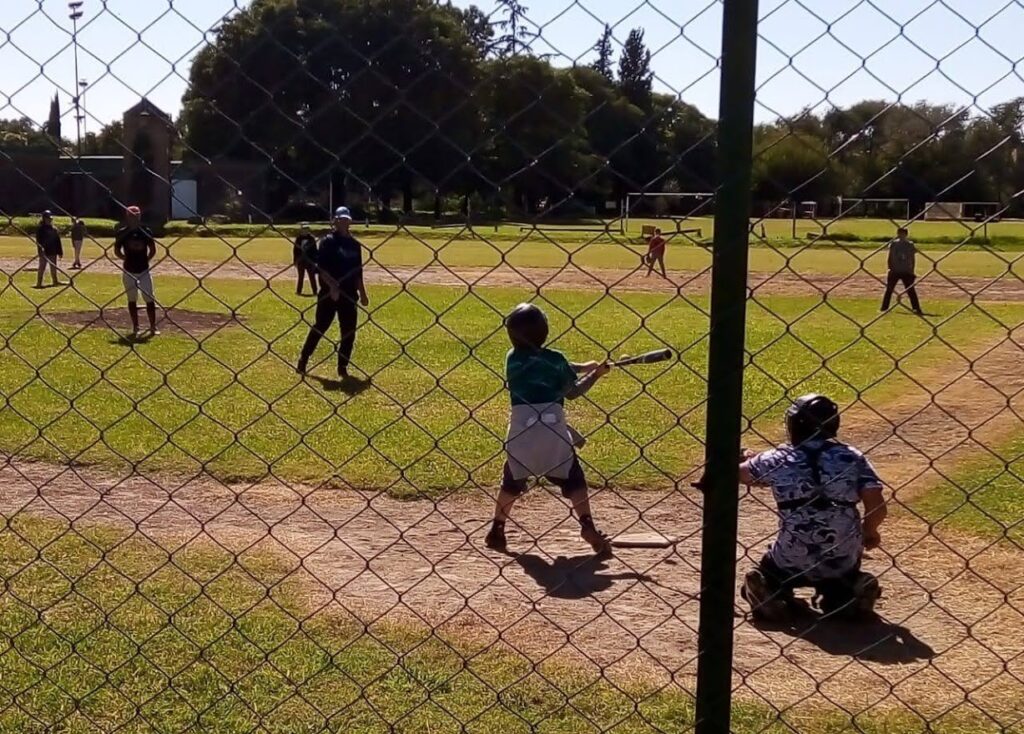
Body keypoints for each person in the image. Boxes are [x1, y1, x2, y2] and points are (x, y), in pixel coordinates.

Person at [735, 394, 887, 622]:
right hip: (840, 557)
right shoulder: (851, 457)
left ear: (795, 424)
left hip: (791, 556)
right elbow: (876, 503)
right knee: (842, 578)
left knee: (770, 569)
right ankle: (848, 594)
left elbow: (741, 474)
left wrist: (751, 459)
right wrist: (870, 531)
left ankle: (771, 589)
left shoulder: (778, 458)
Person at [484, 303, 613, 555]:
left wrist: (582, 367)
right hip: (553, 430)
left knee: (511, 481)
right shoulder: (556, 359)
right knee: (574, 478)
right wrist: (595, 375)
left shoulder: (511, 358)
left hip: (520, 430)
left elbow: (547, 363)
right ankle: (587, 524)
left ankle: (497, 529)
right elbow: (573, 391)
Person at [297, 207, 369, 378]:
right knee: (320, 327)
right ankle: (303, 359)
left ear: (349, 221)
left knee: (349, 332)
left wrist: (363, 294)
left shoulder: (354, 245)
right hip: (329, 293)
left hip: (349, 294)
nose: (344, 222)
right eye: (340, 219)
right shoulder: (328, 242)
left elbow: (358, 271)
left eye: (346, 219)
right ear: (335, 221)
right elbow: (321, 268)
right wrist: (332, 287)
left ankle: (342, 367)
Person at [113, 205, 160, 339]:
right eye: (132, 215)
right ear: (127, 217)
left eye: (137, 215)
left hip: (143, 269)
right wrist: (125, 259)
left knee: (149, 298)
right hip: (129, 269)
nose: (135, 218)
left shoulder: (146, 231)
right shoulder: (122, 232)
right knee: (132, 299)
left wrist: (146, 260)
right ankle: (136, 326)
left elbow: (152, 249)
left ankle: (152, 326)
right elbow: (117, 250)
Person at [881, 227, 923, 315]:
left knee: (910, 290)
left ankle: (916, 308)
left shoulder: (909, 244)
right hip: (896, 270)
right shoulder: (894, 244)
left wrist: (912, 270)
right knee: (889, 289)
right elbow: (890, 257)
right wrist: (890, 268)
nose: (901, 236)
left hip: (905, 270)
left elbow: (912, 258)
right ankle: (884, 307)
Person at [34, 210, 63, 287]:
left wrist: (60, 252)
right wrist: (40, 251)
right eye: (48, 218)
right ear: (44, 219)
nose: (49, 220)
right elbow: (38, 241)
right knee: (42, 267)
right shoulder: (40, 229)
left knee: (53, 267)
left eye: (50, 219)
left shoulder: (54, 229)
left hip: (53, 251)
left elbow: (58, 241)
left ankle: (55, 281)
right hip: (44, 251)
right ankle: (39, 283)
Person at [293, 223, 318, 295]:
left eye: (306, 229)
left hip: (310, 261)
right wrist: (295, 260)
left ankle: (315, 291)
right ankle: (298, 291)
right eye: (303, 229)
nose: (305, 231)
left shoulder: (311, 238)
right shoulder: (298, 238)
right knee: (300, 277)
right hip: (301, 260)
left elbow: (314, 250)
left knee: (312, 277)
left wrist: (315, 260)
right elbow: (295, 250)